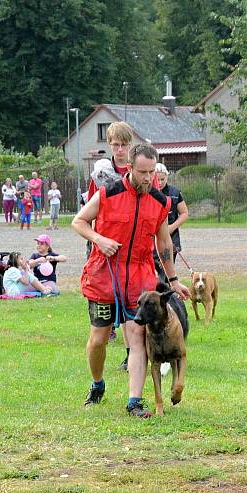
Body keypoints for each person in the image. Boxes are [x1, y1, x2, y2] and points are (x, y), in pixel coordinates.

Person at [72, 143, 190, 418]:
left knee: (137, 337)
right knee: (98, 340)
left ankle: (134, 401)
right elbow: (78, 221)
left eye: (152, 172)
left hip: (140, 276)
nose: (149, 178)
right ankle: (98, 383)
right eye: (143, 172)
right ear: (129, 168)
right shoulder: (108, 194)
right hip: (105, 275)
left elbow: (163, 244)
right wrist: (99, 239)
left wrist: (173, 280)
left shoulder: (161, 202)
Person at [155, 163, 188, 262]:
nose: (160, 183)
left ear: (167, 178)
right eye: (157, 180)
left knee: (166, 264)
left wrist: (171, 227)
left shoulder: (175, 193)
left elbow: (184, 213)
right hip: (151, 241)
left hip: (170, 238)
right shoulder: (146, 193)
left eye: (162, 179)